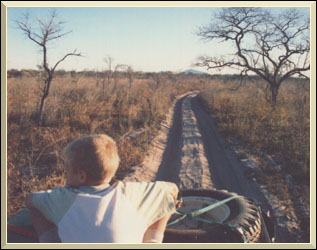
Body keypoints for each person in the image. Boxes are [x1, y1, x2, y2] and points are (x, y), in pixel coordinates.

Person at [25, 134, 181, 243]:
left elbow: (30, 200)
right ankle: (153, 241)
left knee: (35, 210)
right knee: (165, 203)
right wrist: (168, 204)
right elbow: (171, 189)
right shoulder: (131, 194)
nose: (66, 174)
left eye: (68, 170)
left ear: (81, 176)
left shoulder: (63, 199)